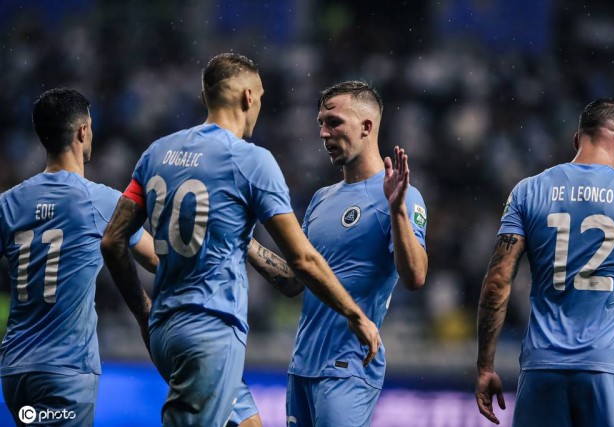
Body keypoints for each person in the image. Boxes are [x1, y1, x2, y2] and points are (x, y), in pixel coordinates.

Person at [100, 53, 381, 427]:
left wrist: (142, 311)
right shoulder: (250, 161)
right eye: (261, 98)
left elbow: (113, 240)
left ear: (204, 97)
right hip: (209, 331)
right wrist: (354, 314)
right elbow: (302, 259)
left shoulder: (157, 153)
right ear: (249, 97)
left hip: (165, 329)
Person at [247, 80, 429, 426]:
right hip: (302, 367)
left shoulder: (400, 195)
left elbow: (415, 277)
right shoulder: (321, 198)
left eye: (334, 123)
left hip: (348, 367)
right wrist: (245, 241)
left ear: (366, 127)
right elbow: (294, 281)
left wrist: (398, 212)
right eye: (321, 124)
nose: (323, 133)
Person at [476, 99, 614, 426]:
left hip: (543, 366)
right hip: (609, 366)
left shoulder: (528, 192)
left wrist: (485, 366)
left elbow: (497, 282)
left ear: (577, 139)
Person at [0, 88, 157, 427]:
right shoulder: (100, 201)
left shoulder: (8, 203)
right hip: (65, 371)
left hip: (15, 371)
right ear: (82, 131)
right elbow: (157, 260)